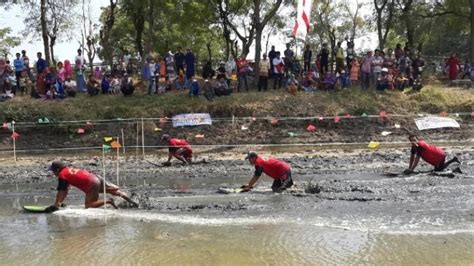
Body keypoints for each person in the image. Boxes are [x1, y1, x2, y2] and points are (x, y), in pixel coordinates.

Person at [44, 161, 138, 212]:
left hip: (91, 183)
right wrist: (59, 202)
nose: (53, 174)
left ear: (57, 170)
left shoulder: (62, 175)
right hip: (96, 177)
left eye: (53, 171)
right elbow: (65, 190)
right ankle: (133, 202)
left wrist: (56, 204)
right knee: (114, 191)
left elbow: (61, 191)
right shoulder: (68, 170)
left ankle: (109, 201)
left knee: (89, 205)